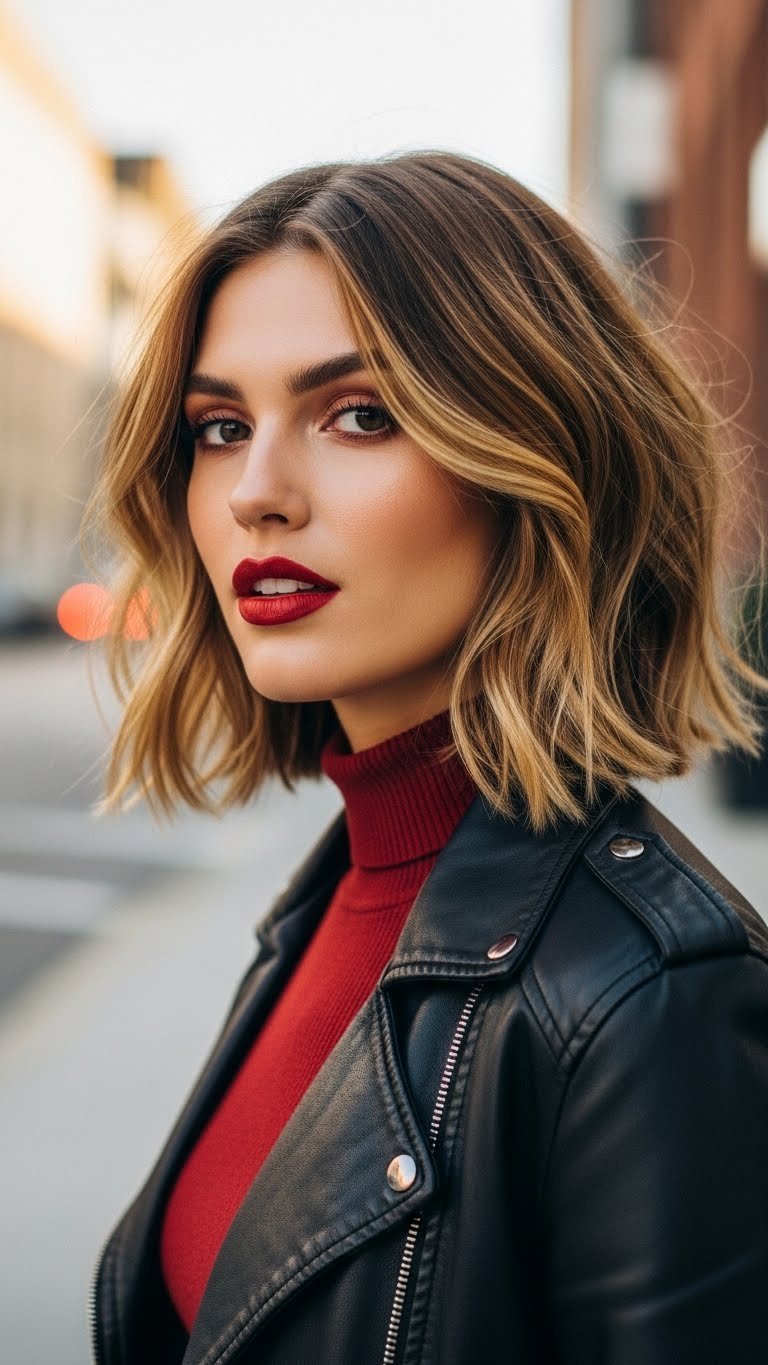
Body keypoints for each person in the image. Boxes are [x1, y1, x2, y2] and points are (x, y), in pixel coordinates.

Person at [87, 150, 768, 1365]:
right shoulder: (328, 906)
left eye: (361, 414)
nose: (255, 494)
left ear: (539, 460)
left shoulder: (650, 1002)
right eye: (220, 427)